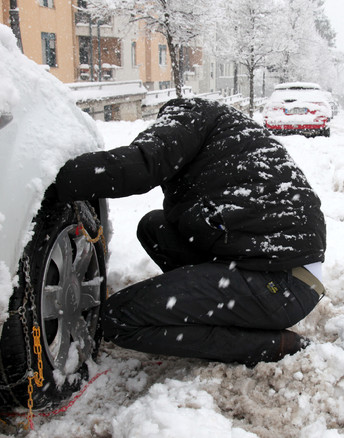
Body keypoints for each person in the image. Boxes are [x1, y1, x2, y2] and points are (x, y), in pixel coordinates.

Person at [53, 98, 327, 366]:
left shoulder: (188, 116)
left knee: (119, 318)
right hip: (275, 269)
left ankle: (270, 344)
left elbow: (141, 164)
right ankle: (214, 309)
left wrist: (55, 178)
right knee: (154, 227)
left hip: (279, 283)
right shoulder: (224, 129)